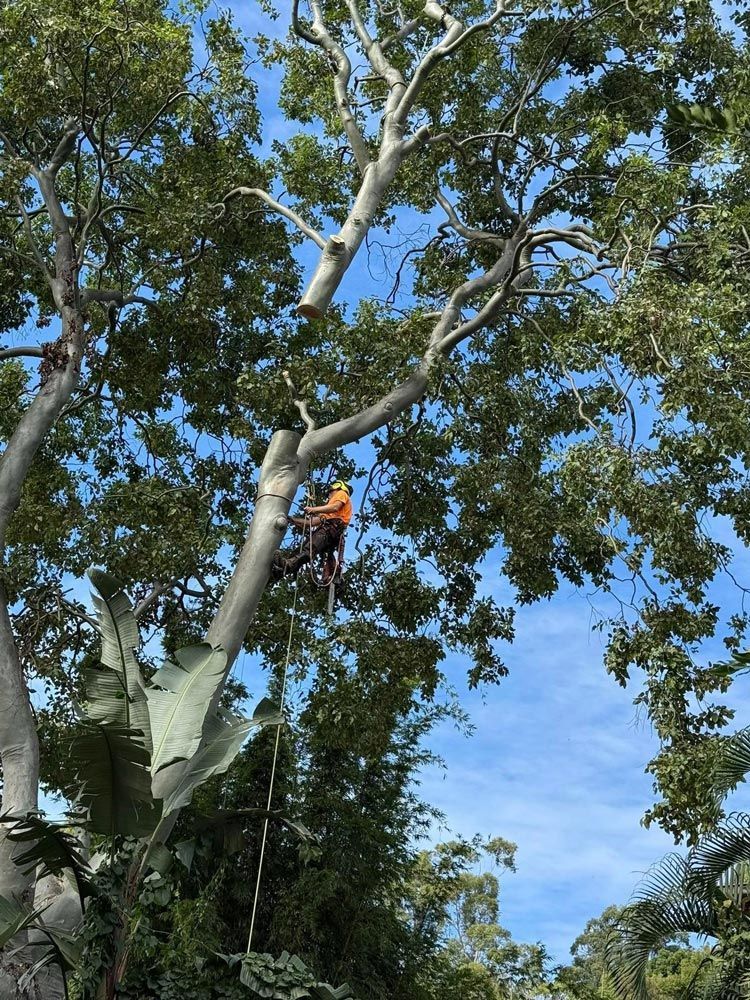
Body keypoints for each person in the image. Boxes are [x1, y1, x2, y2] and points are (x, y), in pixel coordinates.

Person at [274, 480, 353, 579]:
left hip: (332, 529)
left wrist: (313, 509)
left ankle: (288, 565)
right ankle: (282, 569)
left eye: (330, 493)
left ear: (336, 488)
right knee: (301, 549)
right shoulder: (330, 514)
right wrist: (292, 520)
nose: (329, 496)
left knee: (310, 549)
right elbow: (311, 523)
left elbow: (335, 507)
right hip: (328, 529)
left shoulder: (341, 493)